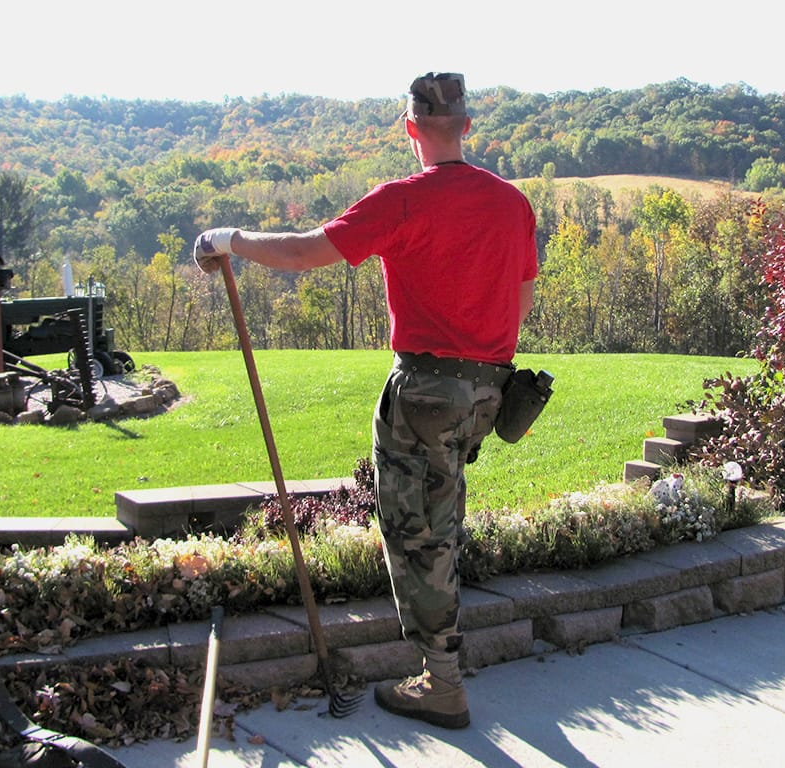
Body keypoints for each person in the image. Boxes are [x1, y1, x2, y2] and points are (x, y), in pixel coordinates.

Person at [194, 72, 538, 729]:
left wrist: (228, 239)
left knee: (419, 538)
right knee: (443, 523)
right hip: (488, 392)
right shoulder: (512, 204)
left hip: (425, 393)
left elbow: (301, 253)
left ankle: (442, 684)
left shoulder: (401, 201)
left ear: (411, 129)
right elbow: (518, 302)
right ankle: (443, 667)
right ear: (466, 126)